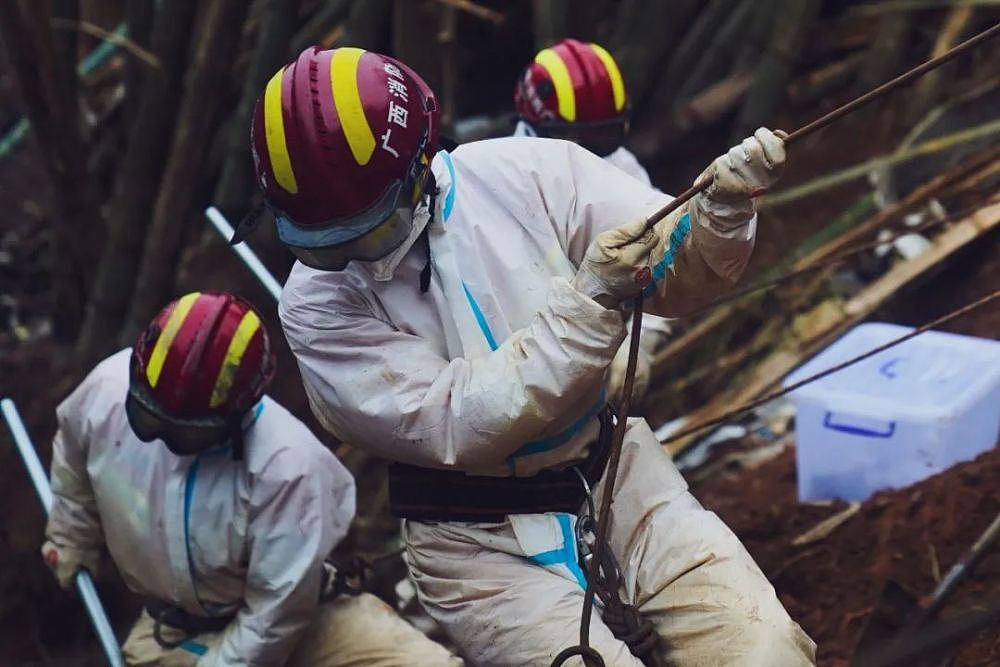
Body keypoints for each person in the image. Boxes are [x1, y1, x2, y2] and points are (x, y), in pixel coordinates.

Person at [248, 46, 816, 665]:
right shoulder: (315, 308)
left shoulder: (532, 176)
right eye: (329, 244)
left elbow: (672, 273)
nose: (355, 254)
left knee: (766, 649)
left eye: (370, 228)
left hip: (614, 479)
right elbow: (461, 421)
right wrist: (590, 301)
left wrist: (719, 214)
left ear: (419, 166)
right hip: (473, 546)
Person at [42, 291, 462, 666]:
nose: (168, 439)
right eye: (152, 420)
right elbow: (73, 465)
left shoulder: (288, 468)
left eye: (188, 432)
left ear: (236, 413)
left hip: (306, 620)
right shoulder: (105, 390)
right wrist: (71, 536)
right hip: (177, 631)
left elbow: (275, 614)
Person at [514, 38, 671, 404]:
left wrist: (640, 342)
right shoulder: (494, 179)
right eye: (575, 140)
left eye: (603, 137)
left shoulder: (622, 167)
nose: (586, 156)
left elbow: (661, 260)